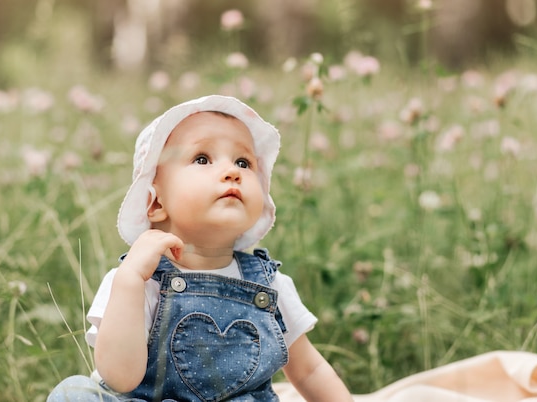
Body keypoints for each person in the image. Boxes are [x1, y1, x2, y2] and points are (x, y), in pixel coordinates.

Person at [47, 95, 353, 401]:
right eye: (203, 159)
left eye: (243, 162)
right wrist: (130, 281)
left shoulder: (269, 284)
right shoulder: (139, 280)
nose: (232, 172)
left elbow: (309, 371)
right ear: (155, 202)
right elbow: (120, 378)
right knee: (74, 393)